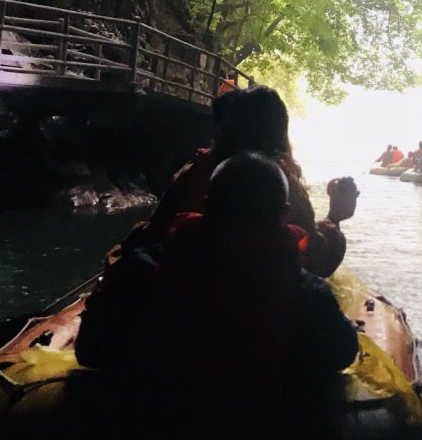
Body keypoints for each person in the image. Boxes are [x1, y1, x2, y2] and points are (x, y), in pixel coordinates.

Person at [77, 154, 358, 389]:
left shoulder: (139, 272)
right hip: (259, 437)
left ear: (207, 204)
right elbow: (343, 353)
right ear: (284, 214)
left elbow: (90, 349)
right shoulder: (307, 294)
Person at [135, 85, 357, 279]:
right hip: (258, 305)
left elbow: (154, 235)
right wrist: (335, 217)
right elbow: (316, 261)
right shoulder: (281, 182)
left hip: (186, 299)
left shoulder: (194, 172)